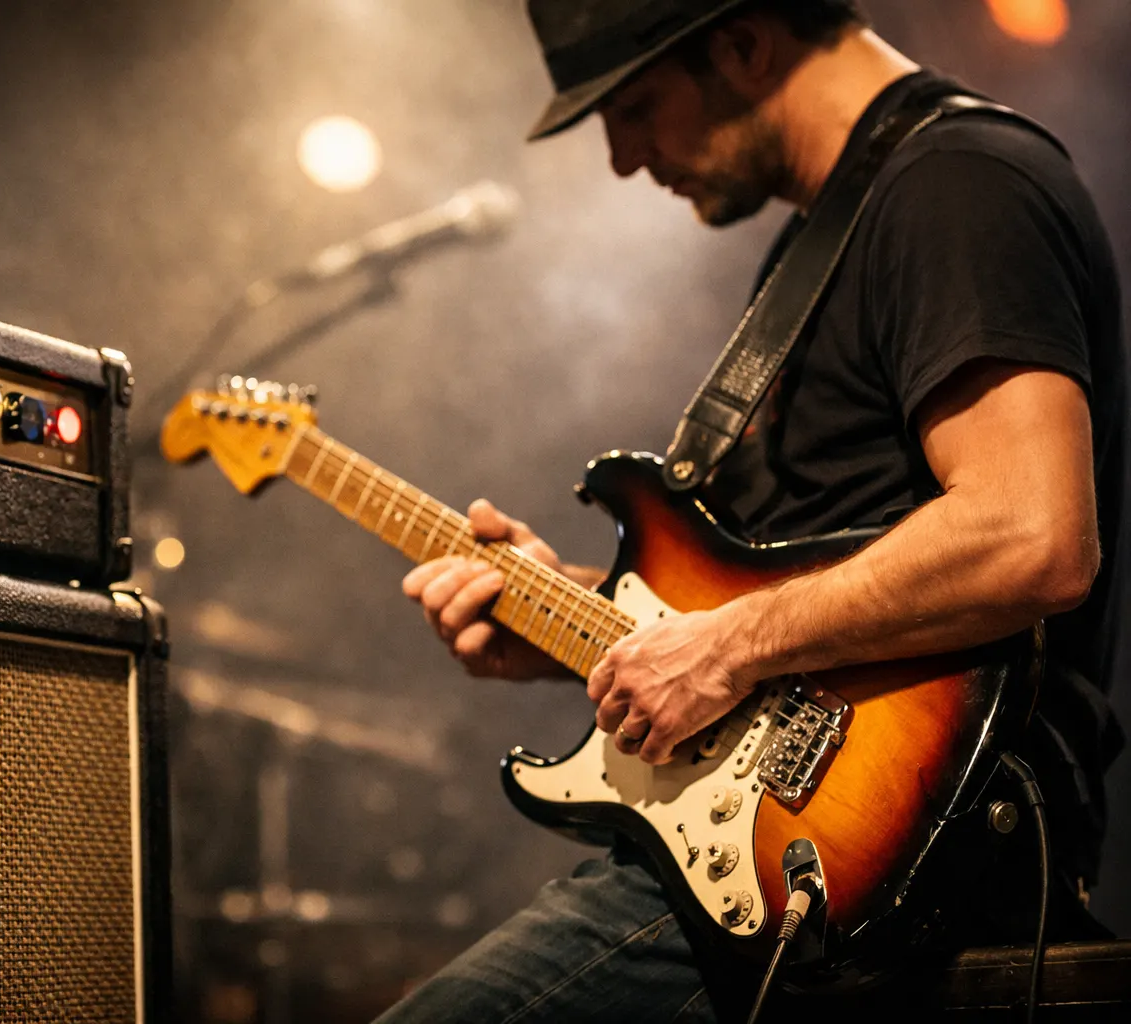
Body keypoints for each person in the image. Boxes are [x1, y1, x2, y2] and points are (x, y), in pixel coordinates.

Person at [377, 1, 1127, 1021]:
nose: (623, 160)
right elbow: (787, 578)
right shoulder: (831, 232)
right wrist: (570, 616)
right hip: (777, 841)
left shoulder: (959, 184)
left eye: (635, 107)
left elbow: (1032, 537)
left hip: (884, 852)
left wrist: (729, 644)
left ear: (740, 44)